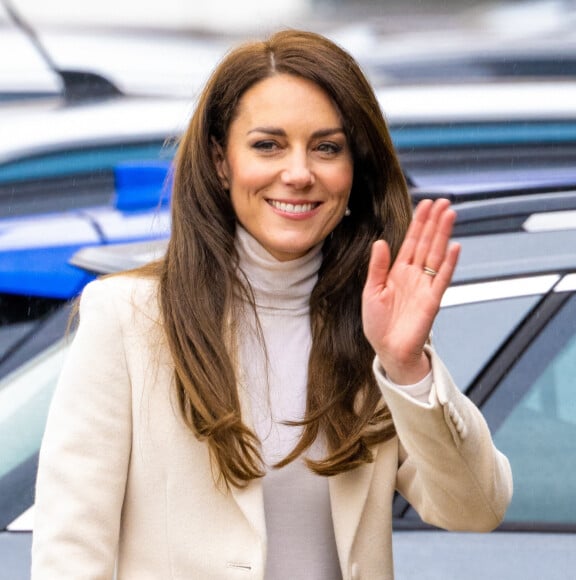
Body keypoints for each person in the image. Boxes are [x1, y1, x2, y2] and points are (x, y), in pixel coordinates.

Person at [31, 29, 512, 580]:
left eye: (327, 147)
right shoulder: (128, 315)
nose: (300, 172)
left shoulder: (376, 321)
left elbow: (476, 508)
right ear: (220, 160)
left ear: (354, 169)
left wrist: (408, 368)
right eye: (268, 145)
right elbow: (69, 555)